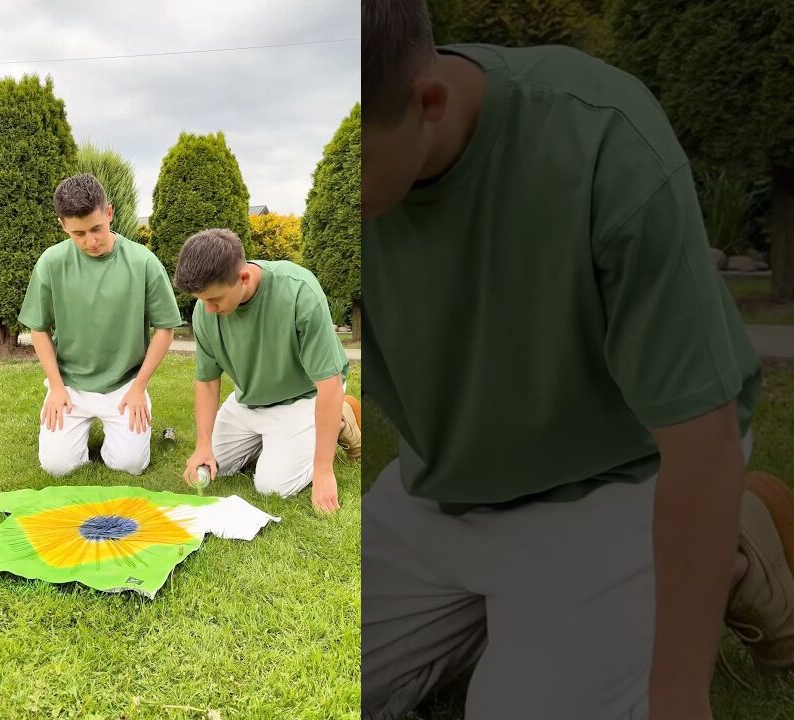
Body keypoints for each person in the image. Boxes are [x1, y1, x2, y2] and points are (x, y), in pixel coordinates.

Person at [360, 2, 793, 719]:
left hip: (619, 481)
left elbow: (700, 436)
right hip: (445, 489)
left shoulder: (599, 139)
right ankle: (513, 619)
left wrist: (678, 694)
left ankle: (731, 545)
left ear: (427, 101)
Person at [172, 228, 362, 515]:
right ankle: (277, 442)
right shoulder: (205, 312)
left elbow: (329, 384)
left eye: (215, 300)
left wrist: (323, 470)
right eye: (202, 301)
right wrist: (202, 445)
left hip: (304, 398)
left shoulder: (299, 292)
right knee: (210, 468)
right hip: (248, 401)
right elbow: (208, 381)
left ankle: (340, 418)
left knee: (272, 486)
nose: (208, 310)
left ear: (244, 278)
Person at [18, 173, 183, 478]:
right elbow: (38, 328)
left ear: (109, 213)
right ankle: (74, 431)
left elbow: (165, 328)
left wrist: (139, 387)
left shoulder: (143, 262)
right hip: (70, 384)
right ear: (62, 226)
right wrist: (55, 386)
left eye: (96, 228)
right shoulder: (51, 263)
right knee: (57, 467)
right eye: (78, 234)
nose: (90, 241)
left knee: (130, 465)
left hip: (125, 385)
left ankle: (127, 429)